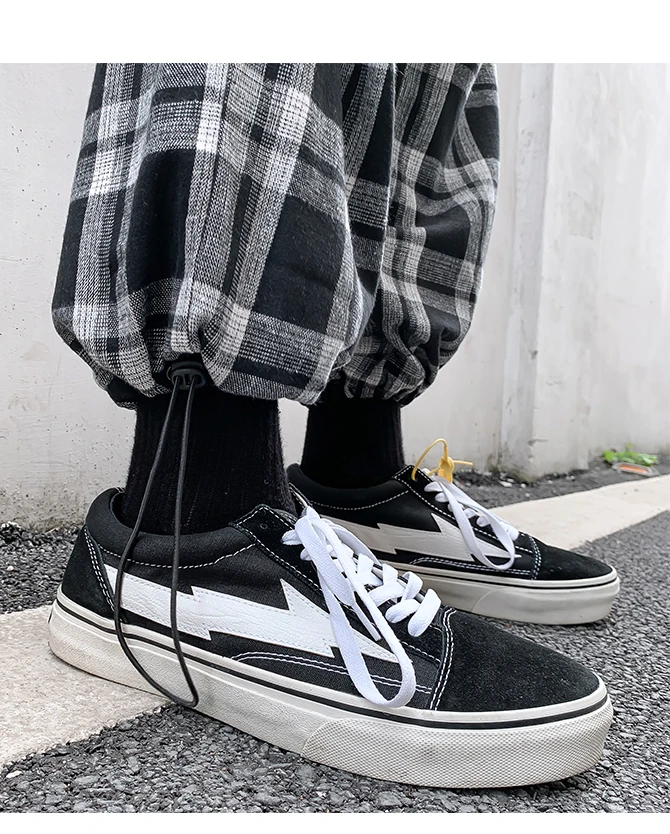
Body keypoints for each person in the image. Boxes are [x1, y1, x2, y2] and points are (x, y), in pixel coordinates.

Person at [49, 63, 616, 789]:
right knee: (261, 69)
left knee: (419, 91)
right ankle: (189, 528)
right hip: (178, 522)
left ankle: (355, 478)